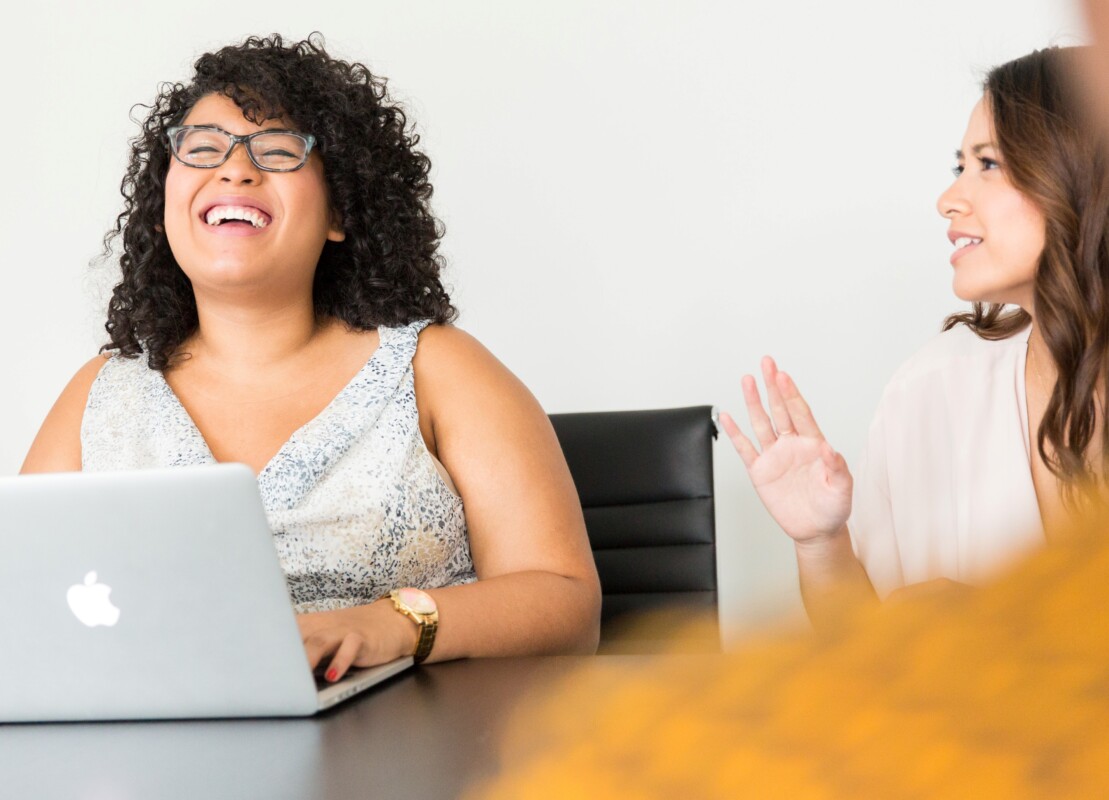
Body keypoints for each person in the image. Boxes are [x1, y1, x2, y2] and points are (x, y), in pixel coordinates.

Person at [20, 33, 601, 677]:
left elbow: (566, 603)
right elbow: (18, 609)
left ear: (338, 213)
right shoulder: (100, 395)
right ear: (163, 208)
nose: (235, 170)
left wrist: (390, 624)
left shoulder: (438, 368)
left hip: (408, 732)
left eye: (277, 151)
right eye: (203, 149)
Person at [720, 46, 1109, 626]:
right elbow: (862, 645)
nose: (948, 201)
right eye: (960, 167)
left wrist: (995, 627)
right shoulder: (928, 391)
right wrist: (821, 542)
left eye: (989, 164)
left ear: (1082, 175)